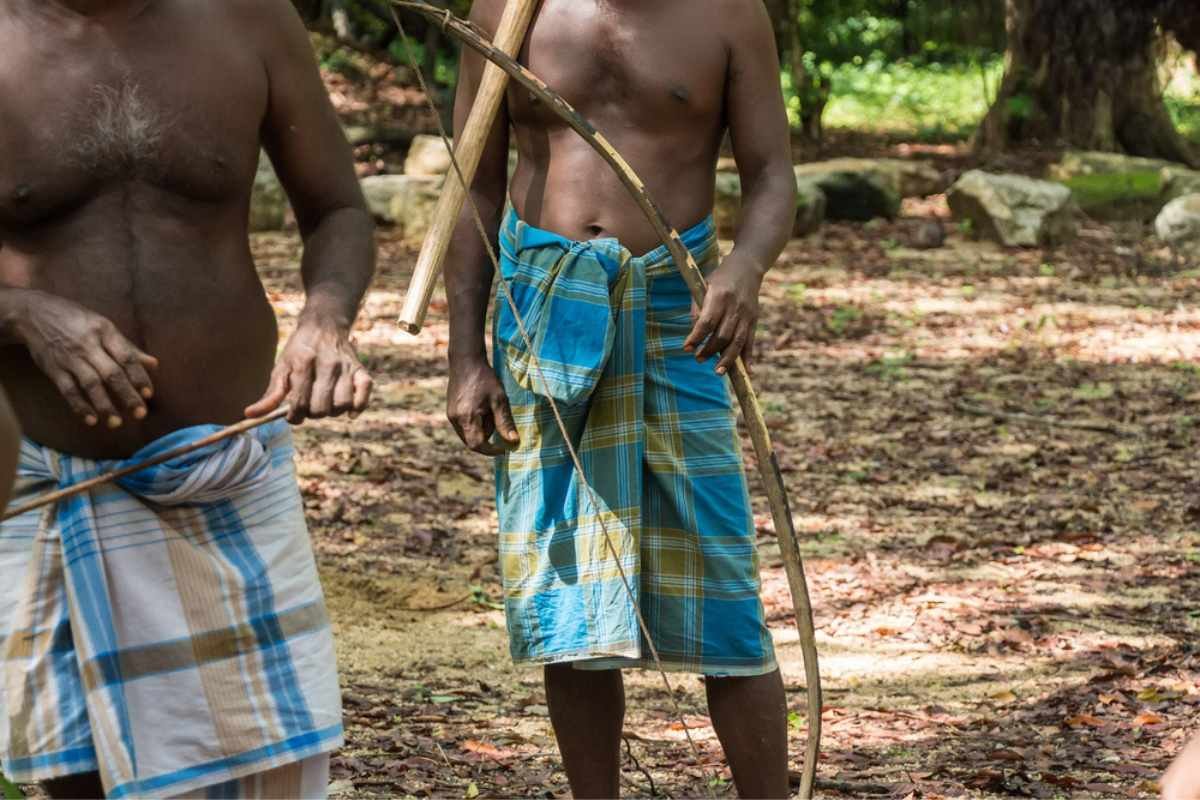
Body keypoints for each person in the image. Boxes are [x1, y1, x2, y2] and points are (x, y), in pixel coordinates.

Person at [0, 0, 376, 797]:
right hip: (48, 479)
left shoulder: (249, 19)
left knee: (270, 771)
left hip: (231, 471)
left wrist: (327, 320)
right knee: (76, 779)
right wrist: (22, 313)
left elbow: (339, 209)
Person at [442, 1, 798, 797]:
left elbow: (773, 173)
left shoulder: (730, 14)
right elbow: (476, 183)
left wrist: (745, 267)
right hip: (543, 311)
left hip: (682, 317)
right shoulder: (503, 11)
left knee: (725, 603)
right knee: (571, 604)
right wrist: (466, 355)